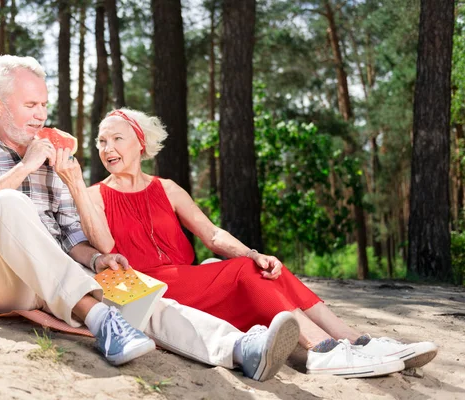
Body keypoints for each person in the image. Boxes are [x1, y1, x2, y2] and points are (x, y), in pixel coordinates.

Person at [0, 55, 300, 380]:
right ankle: (100, 319)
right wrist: (25, 168)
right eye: (30, 104)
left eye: (43, 103)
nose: (41, 114)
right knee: (6, 202)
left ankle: (240, 348)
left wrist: (96, 258)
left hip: (56, 280)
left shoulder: (50, 152)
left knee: (138, 292)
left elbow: (71, 237)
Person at [57, 107, 439, 379]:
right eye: (101, 141)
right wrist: (75, 186)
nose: (107, 148)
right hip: (145, 288)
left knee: (262, 268)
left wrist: (255, 253)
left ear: (140, 143)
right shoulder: (92, 195)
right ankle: (323, 352)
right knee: (242, 270)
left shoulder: (168, 189)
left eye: (116, 138)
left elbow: (213, 235)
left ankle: (355, 341)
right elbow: (105, 247)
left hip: (190, 282)